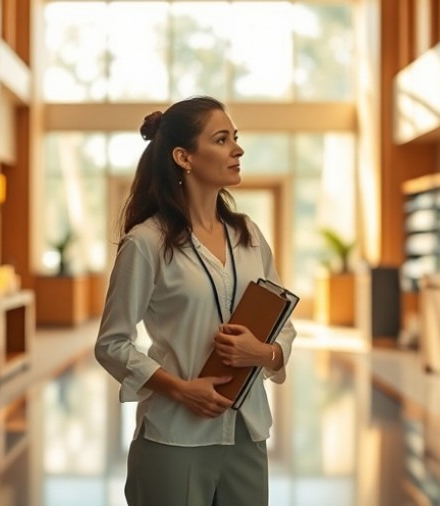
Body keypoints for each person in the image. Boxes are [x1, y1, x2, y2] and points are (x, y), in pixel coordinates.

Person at [95, 95, 297, 506]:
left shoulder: (249, 236)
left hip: (247, 434)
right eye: (222, 139)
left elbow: (284, 326)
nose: (237, 149)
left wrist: (265, 352)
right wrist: (182, 390)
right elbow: (111, 344)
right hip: (175, 437)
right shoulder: (146, 243)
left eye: (235, 138)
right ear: (184, 157)